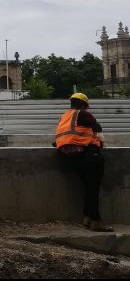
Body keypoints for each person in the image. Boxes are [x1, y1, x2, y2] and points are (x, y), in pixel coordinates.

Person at [54, 92, 113, 232]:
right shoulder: (83, 114)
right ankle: (96, 222)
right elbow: (98, 128)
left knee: (88, 188)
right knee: (93, 189)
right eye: (86, 106)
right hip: (90, 155)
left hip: (74, 158)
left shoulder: (64, 117)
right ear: (82, 105)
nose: (87, 109)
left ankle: (87, 218)